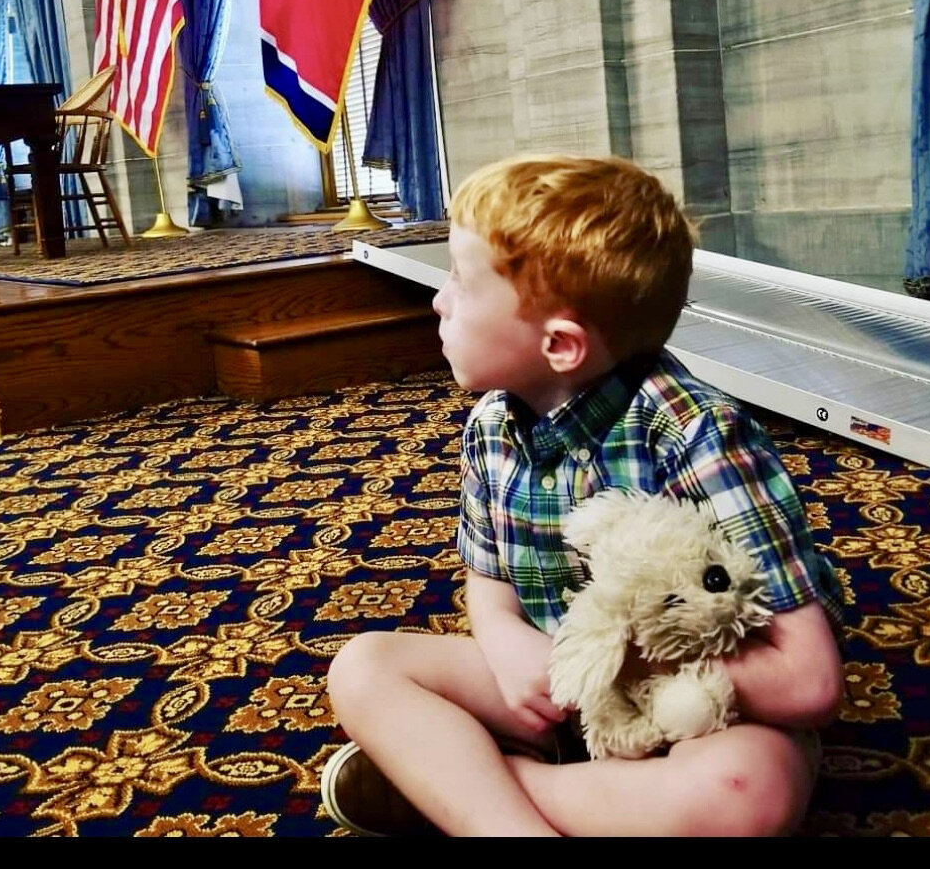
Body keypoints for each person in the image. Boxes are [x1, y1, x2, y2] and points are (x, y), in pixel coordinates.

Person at [321, 153, 845, 837]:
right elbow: (488, 586)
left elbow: (809, 681)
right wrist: (509, 645)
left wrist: (621, 663)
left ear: (560, 344)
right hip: (552, 686)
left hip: (688, 707)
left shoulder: (697, 432)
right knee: (364, 667)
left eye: (459, 280)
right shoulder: (491, 425)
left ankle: (470, 789)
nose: (438, 300)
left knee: (748, 793)